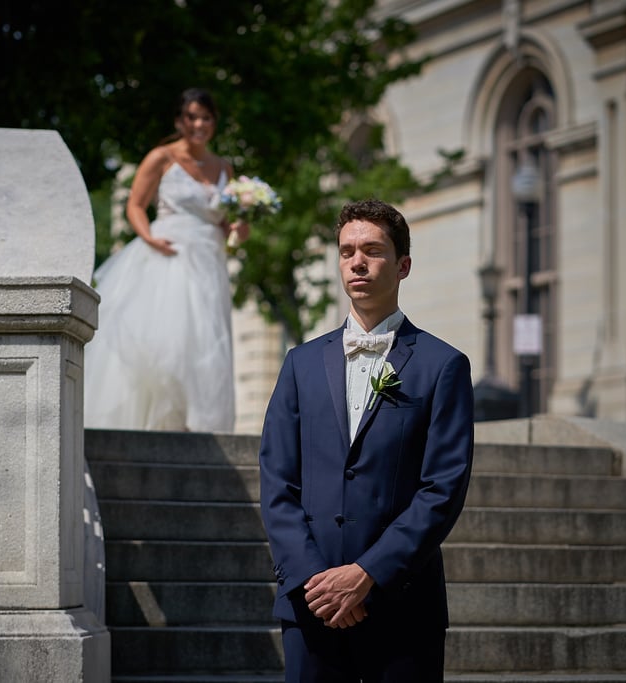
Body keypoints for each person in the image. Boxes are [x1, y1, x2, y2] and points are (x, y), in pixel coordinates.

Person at [258, 199, 474, 681]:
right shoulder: (300, 364)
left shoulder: (444, 367)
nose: (357, 261)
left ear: (403, 266)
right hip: (309, 605)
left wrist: (366, 575)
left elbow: (443, 488)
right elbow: (277, 482)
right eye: (346, 251)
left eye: (372, 251)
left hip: (402, 607)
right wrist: (317, 581)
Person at [84, 88, 246, 432]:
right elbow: (136, 205)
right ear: (179, 121)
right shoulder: (162, 157)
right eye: (191, 117)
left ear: (214, 123)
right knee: (169, 340)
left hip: (209, 260)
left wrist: (238, 228)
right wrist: (149, 238)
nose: (198, 124)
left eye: (205, 117)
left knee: (206, 342)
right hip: (167, 254)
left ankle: (196, 424)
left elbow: (223, 220)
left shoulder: (223, 168)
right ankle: (162, 424)